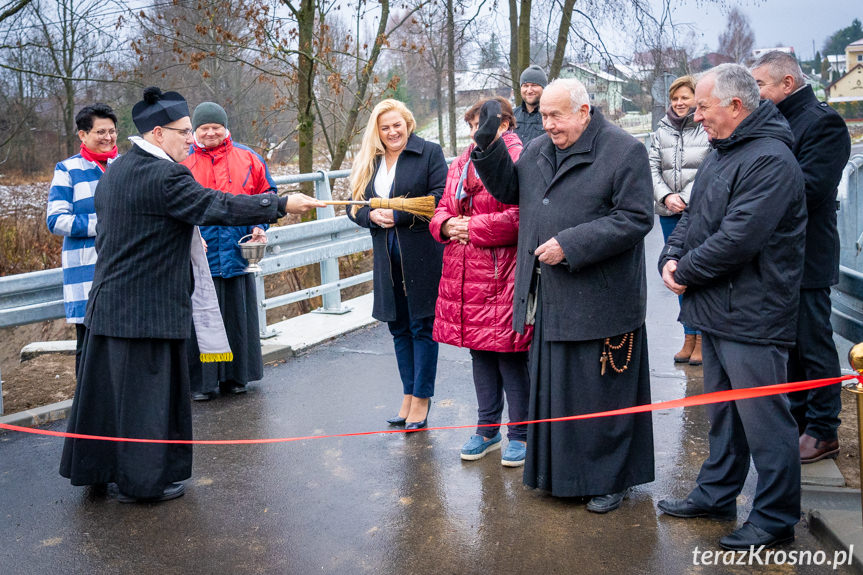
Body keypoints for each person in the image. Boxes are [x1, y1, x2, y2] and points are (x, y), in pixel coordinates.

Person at [59, 87, 323, 503]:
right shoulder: (166, 175)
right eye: (184, 132)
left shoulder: (120, 168)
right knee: (146, 402)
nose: (190, 139)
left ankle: (99, 472)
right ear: (159, 133)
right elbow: (216, 205)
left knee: (107, 399)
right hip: (147, 311)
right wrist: (279, 203)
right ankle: (143, 484)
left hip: (108, 304)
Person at [470, 78, 655, 513]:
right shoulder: (538, 149)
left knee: (602, 396)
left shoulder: (624, 150)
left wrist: (571, 244)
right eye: (544, 115)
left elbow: (635, 218)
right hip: (551, 295)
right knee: (558, 392)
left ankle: (612, 480)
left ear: (584, 111)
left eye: (556, 115)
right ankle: (561, 477)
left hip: (602, 300)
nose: (547, 123)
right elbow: (511, 191)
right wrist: (487, 147)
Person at [657, 64, 806, 550]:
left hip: (754, 312)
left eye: (703, 106)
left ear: (736, 107)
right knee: (722, 413)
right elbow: (694, 218)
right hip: (717, 308)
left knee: (765, 421)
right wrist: (670, 255)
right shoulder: (724, 153)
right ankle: (717, 493)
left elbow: (739, 238)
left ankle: (774, 517)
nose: (696, 115)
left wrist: (686, 271)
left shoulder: (770, 159)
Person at [751, 51, 852, 464]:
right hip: (777, 254)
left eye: (759, 85)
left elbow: (810, 187)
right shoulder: (774, 121)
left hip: (808, 254)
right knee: (786, 345)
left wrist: (753, 200)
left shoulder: (823, 122)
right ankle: (797, 419)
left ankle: (824, 429)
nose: (754, 93)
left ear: (786, 84)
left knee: (813, 344)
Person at [429, 97, 532, 466]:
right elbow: (442, 205)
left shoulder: (521, 158)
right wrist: (444, 224)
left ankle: (521, 433)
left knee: (510, 354)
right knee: (481, 352)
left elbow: (521, 217)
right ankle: (486, 429)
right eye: (471, 125)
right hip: (464, 271)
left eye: (482, 124)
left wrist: (471, 227)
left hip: (501, 272)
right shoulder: (460, 161)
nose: (476, 131)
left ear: (505, 125)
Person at [347, 99, 447, 431]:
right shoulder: (370, 161)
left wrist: (399, 214)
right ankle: (407, 395)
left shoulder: (429, 153)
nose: (392, 132)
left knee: (422, 326)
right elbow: (354, 204)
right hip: (385, 255)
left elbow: (440, 198)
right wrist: (370, 215)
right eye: (385, 127)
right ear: (377, 131)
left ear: (408, 123)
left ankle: (422, 398)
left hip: (420, 252)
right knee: (398, 327)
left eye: (397, 125)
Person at [181, 102, 277, 400]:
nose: (210, 133)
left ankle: (237, 377)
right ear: (195, 131)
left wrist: (261, 224)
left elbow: (268, 194)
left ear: (226, 128)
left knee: (237, 317)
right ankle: (204, 381)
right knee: (205, 319)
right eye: (203, 128)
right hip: (200, 255)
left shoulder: (248, 157)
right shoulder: (182, 162)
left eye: (215, 127)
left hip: (238, 252)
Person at [46, 103, 119, 375]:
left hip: (123, 272)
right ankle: (87, 413)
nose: (108, 138)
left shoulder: (123, 166)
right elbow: (56, 220)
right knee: (89, 349)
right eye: (101, 132)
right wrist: (103, 225)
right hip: (86, 273)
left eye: (112, 131)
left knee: (121, 349)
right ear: (82, 135)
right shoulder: (68, 170)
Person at [649, 75, 710, 366]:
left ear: (696, 98)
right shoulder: (661, 129)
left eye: (685, 97)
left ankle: (702, 337)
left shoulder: (705, 128)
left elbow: (709, 166)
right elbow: (650, 166)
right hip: (668, 212)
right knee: (676, 271)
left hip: (695, 210)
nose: (679, 103)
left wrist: (683, 197)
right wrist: (665, 197)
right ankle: (688, 335)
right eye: (675, 98)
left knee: (697, 271)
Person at [513, 65, 547, 146]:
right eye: (525, 86)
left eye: (534, 85)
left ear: (544, 88)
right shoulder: (512, 115)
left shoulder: (550, 116)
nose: (529, 90)